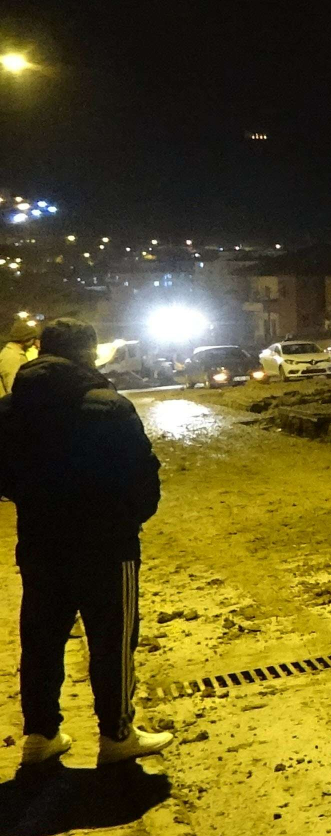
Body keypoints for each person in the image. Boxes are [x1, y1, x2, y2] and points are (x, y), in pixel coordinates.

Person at [0, 318, 172, 766]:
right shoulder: (108, 406)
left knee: (41, 639)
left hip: (40, 542)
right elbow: (143, 475)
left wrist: (34, 501)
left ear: (42, 349)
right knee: (113, 641)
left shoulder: (10, 410)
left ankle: (40, 735)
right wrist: (128, 519)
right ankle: (117, 736)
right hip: (107, 544)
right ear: (88, 353)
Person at [0, 320, 38, 395]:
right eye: (33, 338)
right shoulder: (13, 357)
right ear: (27, 339)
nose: (34, 343)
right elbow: (13, 388)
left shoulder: (12, 353)